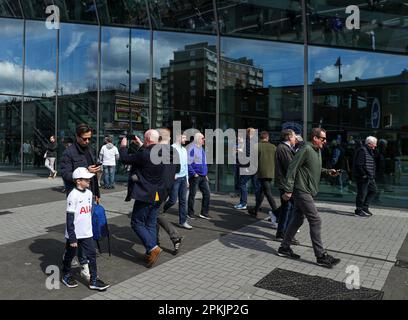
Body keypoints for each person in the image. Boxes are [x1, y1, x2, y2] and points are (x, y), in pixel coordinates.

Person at [278, 128, 341, 269]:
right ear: (315, 138)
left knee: (297, 219)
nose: (325, 142)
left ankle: (284, 248)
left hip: (307, 190)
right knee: (316, 219)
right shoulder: (305, 149)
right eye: (323, 139)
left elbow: (314, 168)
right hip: (302, 190)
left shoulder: (316, 151)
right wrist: (288, 189)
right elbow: (292, 168)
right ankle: (321, 256)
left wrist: (328, 171)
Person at [119, 130, 166, 268]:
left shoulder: (144, 154)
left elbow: (125, 158)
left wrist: (123, 146)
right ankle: (150, 251)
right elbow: (146, 156)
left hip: (145, 193)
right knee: (150, 223)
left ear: (147, 139)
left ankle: (152, 248)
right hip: (158, 193)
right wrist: (141, 144)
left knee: (136, 222)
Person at [60, 123, 101, 279]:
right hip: (75, 196)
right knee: (75, 227)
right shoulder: (68, 153)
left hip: (89, 194)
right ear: (77, 137)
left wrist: (96, 193)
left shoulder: (89, 149)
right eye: (84, 139)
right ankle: (74, 258)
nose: (87, 141)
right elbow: (65, 174)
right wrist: (85, 171)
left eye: (89, 138)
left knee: (85, 228)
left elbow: (93, 175)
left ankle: (82, 261)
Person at [61, 167, 110, 291]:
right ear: (78, 181)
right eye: (86, 179)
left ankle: (93, 280)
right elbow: (70, 218)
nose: (89, 181)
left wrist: (91, 229)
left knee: (92, 255)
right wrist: (72, 237)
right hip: (74, 234)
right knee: (70, 255)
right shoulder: (73, 195)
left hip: (87, 233)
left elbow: (89, 213)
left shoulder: (89, 193)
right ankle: (66, 274)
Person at [155, 128, 184, 254]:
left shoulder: (155, 151)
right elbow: (177, 169)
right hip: (167, 187)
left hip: (156, 189)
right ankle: (156, 242)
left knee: (157, 214)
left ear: (158, 138)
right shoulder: (174, 151)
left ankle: (174, 236)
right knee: (155, 213)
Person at [248, 131, 280, 225]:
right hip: (271, 173)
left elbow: (253, 160)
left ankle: (277, 213)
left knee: (268, 193)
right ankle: (255, 210)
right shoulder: (274, 147)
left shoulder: (256, 146)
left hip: (262, 173)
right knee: (262, 191)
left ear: (260, 138)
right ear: (267, 138)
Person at [163, 132, 192, 230]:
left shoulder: (184, 149)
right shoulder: (171, 148)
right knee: (172, 200)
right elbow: (167, 163)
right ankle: (160, 211)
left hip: (183, 178)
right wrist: (172, 175)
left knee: (183, 200)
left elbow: (186, 165)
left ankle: (182, 221)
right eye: (184, 138)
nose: (185, 140)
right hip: (175, 178)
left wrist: (187, 179)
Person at [275, 129, 298, 244]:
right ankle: (284, 234)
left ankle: (282, 233)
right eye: (294, 136)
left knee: (287, 209)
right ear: (289, 137)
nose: (296, 139)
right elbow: (291, 166)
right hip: (285, 184)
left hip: (285, 183)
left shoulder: (286, 148)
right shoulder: (283, 148)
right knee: (288, 209)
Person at [234, 128, 261, 210]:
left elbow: (248, 155)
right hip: (255, 167)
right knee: (256, 186)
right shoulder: (256, 142)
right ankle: (257, 205)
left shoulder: (249, 142)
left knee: (242, 183)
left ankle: (243, 203)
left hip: (249, 167)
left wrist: (240, 151)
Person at [187, 132, 211, 220]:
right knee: (192, 194)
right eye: (202, 138)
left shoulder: (201, 148)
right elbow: (188, 163)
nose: (204, 140)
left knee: (207, 194)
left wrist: (206, 174)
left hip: (203, 176)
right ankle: (190, 213)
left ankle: (204, 213)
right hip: (195, 176)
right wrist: (194, 173)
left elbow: (204, 162)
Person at [353, 136, 378, 217]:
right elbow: (359, 164)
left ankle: (365, 207)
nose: (375, 146)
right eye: (374, 144)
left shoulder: (370, 151)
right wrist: (364, 175)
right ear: (369, 144)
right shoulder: (362, 151)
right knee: (361, 193)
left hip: (370, 177)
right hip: (363, 177)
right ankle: (358, 210)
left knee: (373, 190)